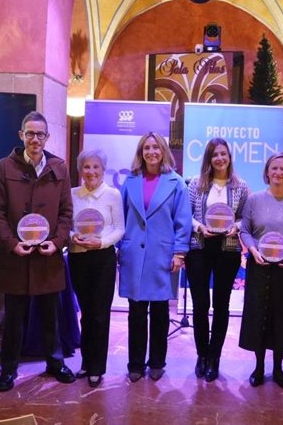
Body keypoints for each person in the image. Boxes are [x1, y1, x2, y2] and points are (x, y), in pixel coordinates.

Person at [0, 111, 75, 392]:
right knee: (14, 317)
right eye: (30, 133)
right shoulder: (5, 167)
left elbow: (66, 213)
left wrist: (58, 241)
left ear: (47, 137)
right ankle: (8, 369)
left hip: (47, 256)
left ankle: (55, 362)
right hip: (16, 257)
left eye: (40, 134)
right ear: (21, 135)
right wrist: (12, 243)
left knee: (51, 314)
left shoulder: (59, 168)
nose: (35, 139)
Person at [118, 131, 192, 382]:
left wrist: (180, 253)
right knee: (136, 313)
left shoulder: (177, 183)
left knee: (160, 312)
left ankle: (158, 362)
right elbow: (121, 217)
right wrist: (120, 247)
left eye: (156, 147)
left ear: (163, 151)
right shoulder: (130, 181)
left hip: (163, 256)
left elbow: (183, 222)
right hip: (134, 256)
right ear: (141, 152)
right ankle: (135, 364)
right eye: (146, 148)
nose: (151, 152)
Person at [239, 152, 283, 390]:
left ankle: (279, 369)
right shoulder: (254, 200)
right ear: (267, 172)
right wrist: (252, 249)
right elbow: (246, 230)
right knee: (259, 315)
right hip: (259, 266)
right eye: (274, 168)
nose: (278, 173)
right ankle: (259, 367)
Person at [186, 138, 249, 382]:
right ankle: (201, 355)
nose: (220, 158)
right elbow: (187, 215)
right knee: (200, 304)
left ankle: (215, 357)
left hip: (228, 249)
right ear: (209, 159)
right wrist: (200, 227)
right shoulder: (196, 184)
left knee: (221, 306)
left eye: (223, 154)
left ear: (230, 157)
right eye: (215, 155)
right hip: (200, 248)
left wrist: (236, 227)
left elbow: (246, 217)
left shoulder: (241, 186)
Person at [68, 149, 125, 388]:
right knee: (86, 313)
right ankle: (85, 362)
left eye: (96, 167)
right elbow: (65, 225)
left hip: (103, 259)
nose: (91, 172)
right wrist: (73, 237)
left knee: (100, 314)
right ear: (80, 170)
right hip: (78, 257)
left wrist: (100, 242)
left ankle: (97, 367)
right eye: (86, 167)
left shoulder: (112, 195)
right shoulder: (71, 194)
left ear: (103, 170)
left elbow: (120, 229)